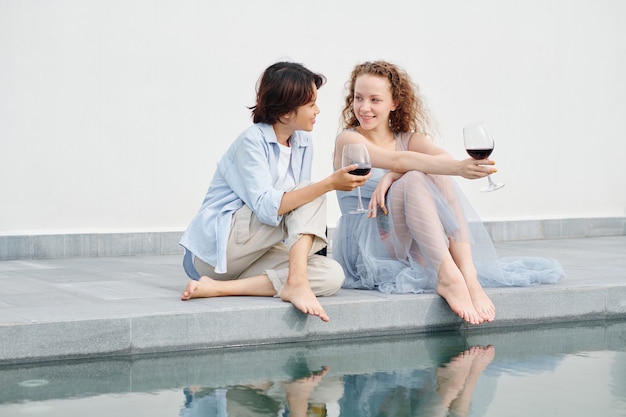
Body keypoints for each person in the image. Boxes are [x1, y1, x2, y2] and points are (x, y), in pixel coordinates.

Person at [332, 60, 564, 325]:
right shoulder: (349, 140)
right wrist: (443, 169)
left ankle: (467, 274)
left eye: (375, 99)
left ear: (394, 103)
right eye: (358, 98)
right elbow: (398, 161)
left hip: (406, 239)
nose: (364, 107)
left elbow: (432, 160)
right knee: (416, 176)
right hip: (369, 243)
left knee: (425, 172)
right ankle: (449, 277)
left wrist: (394, 177)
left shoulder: (407, 138)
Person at [179, 61, 369, 322]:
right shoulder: (251, 141)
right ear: (286, 113)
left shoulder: (302, 141)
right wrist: (328, 184)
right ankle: (296, 282)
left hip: (254, 253)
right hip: (219, 252)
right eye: (311, 104)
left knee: (331, 275)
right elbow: (269, 208)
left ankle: (220, 288)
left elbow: (298, 213)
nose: (318, 110)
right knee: (311, 191)